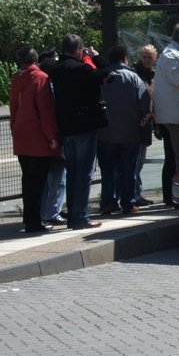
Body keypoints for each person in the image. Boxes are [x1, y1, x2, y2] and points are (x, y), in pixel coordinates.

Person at [48, 34, 112, 230]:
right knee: (84, 173)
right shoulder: (82, 69)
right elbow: (105, 73)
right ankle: (80, 217)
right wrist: (95, 56)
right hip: (85, 125)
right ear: (78, 50)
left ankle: (72, 215)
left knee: (72, 171)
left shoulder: (56, 70)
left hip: (66, 126)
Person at [10, 45, 60, 233]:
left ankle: (29, 219)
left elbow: (14, 108)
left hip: (22, 135)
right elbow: (45, 111)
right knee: (38, 181)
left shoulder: (17, 78)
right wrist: (52, 135)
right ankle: (35, 221)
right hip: (38, 136)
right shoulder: (40, 78)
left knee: (28, 180)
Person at [97, 46, 151, 215]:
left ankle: (107, 202)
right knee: (128, 170)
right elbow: (145, 103)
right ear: (124, 59)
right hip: (130, 133)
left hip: (105, 133)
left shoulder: (101, 78)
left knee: (107, 170)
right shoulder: (134, 78)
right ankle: (128, 203)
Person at [154, 22, 179, 184]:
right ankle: (173, 194)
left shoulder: (177, 52)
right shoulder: (171, 54)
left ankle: (172, 194)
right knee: (178, 156)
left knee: (176, 154)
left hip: (177, 113)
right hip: (174, 115)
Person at [37, 48, 67, 227]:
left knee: (46, 179)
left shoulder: (38, 84)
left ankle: (45, 211)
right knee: (58, 177)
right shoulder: (52, 86)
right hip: (55, 136)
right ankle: (52, 212)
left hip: (40, 139)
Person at [133, 44, 157, 207]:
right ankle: (135, 195)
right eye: (144, 57)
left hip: (148, 123)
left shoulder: (155, 75)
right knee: (136, 162)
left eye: (149, 57)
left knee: (139, 161)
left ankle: (137, 193)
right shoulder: (135, 74)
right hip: (137, 123)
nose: (147, 60)